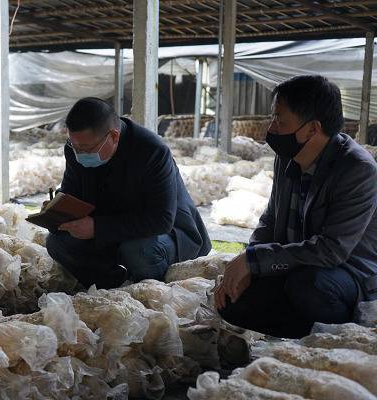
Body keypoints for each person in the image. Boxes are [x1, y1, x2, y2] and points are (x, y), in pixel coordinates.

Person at [215, 75, 377, 338]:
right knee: (233, 299)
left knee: (309, 288)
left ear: (312, 129)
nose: (272, 128)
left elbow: (331, 251)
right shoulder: (287, 158)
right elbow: (270, 220)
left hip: (347, 275)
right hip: (299, 265)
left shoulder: (357, 170)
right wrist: (250, 262)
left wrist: (256, 261)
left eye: (280, 120)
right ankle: (304, 334)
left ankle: (341, 335)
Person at [46, 97, 211, 289]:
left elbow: (161, 220)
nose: (80, 154)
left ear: (114, 137)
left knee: (137, 250)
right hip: (113, 229)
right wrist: (57, 211)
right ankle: (112, 285)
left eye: (87, 149)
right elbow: (72, 192)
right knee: (58, 243)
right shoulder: (76, 150)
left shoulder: (151, 151)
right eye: (74, 146)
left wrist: (98, 228)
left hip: (164, 234)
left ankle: (151, 291)